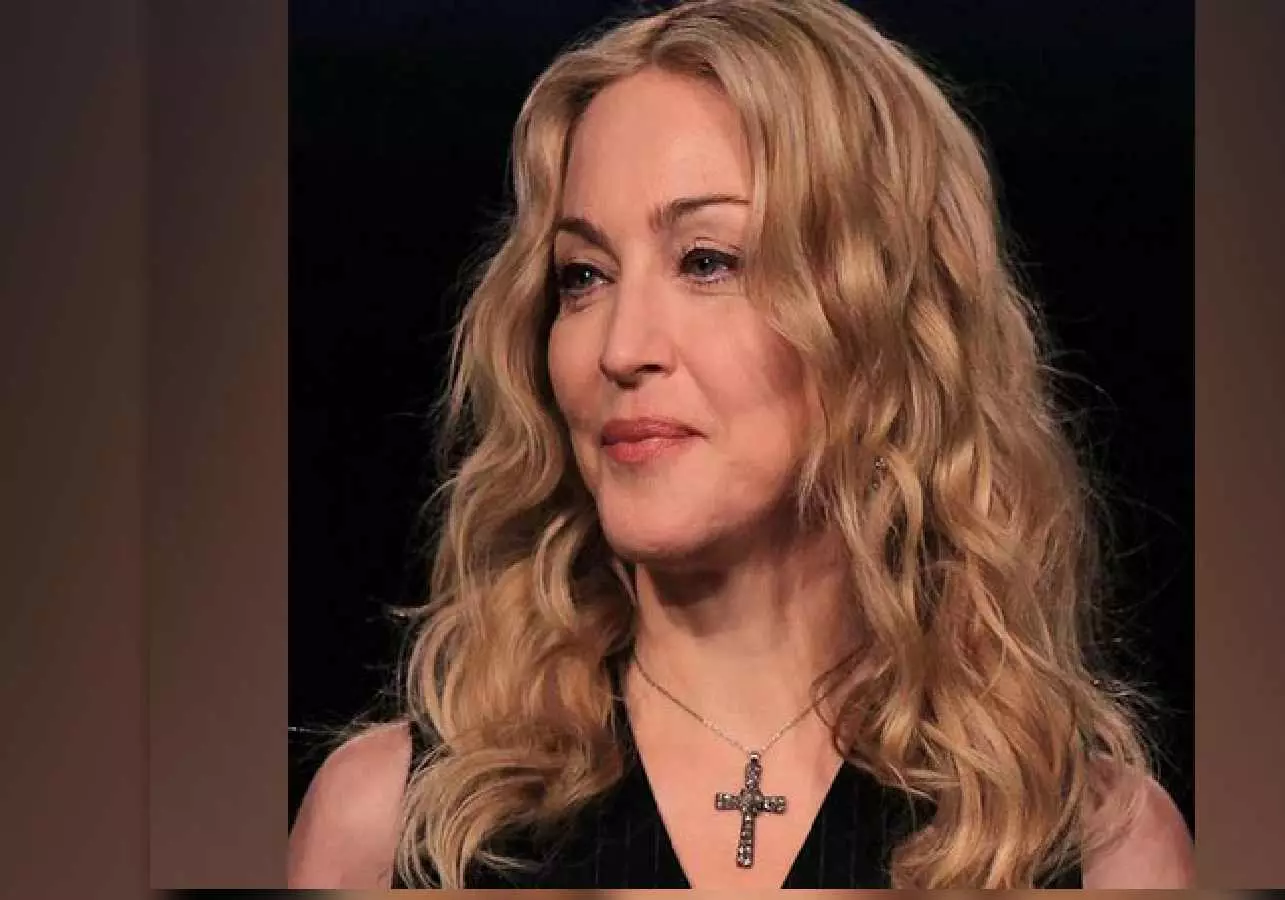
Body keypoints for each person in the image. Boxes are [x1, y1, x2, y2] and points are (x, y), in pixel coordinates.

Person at [287, 0, 1194, 889]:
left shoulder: (1094, 845)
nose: (621, 348)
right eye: (584, 275)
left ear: (880, 317)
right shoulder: (390, 826)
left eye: (706, 261)